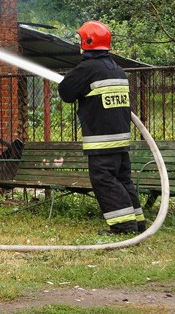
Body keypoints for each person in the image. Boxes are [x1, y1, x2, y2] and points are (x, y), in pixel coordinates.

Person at [58, 20, 146, 235]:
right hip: (121, 140)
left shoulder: (88, 68)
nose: (79, 43)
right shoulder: (116, 69)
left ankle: (124, 227)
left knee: (104, 181)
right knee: (122, 179)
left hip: (102, 140)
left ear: (88, 42)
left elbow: (66, 93)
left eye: (81, 39)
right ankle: (137, 222)